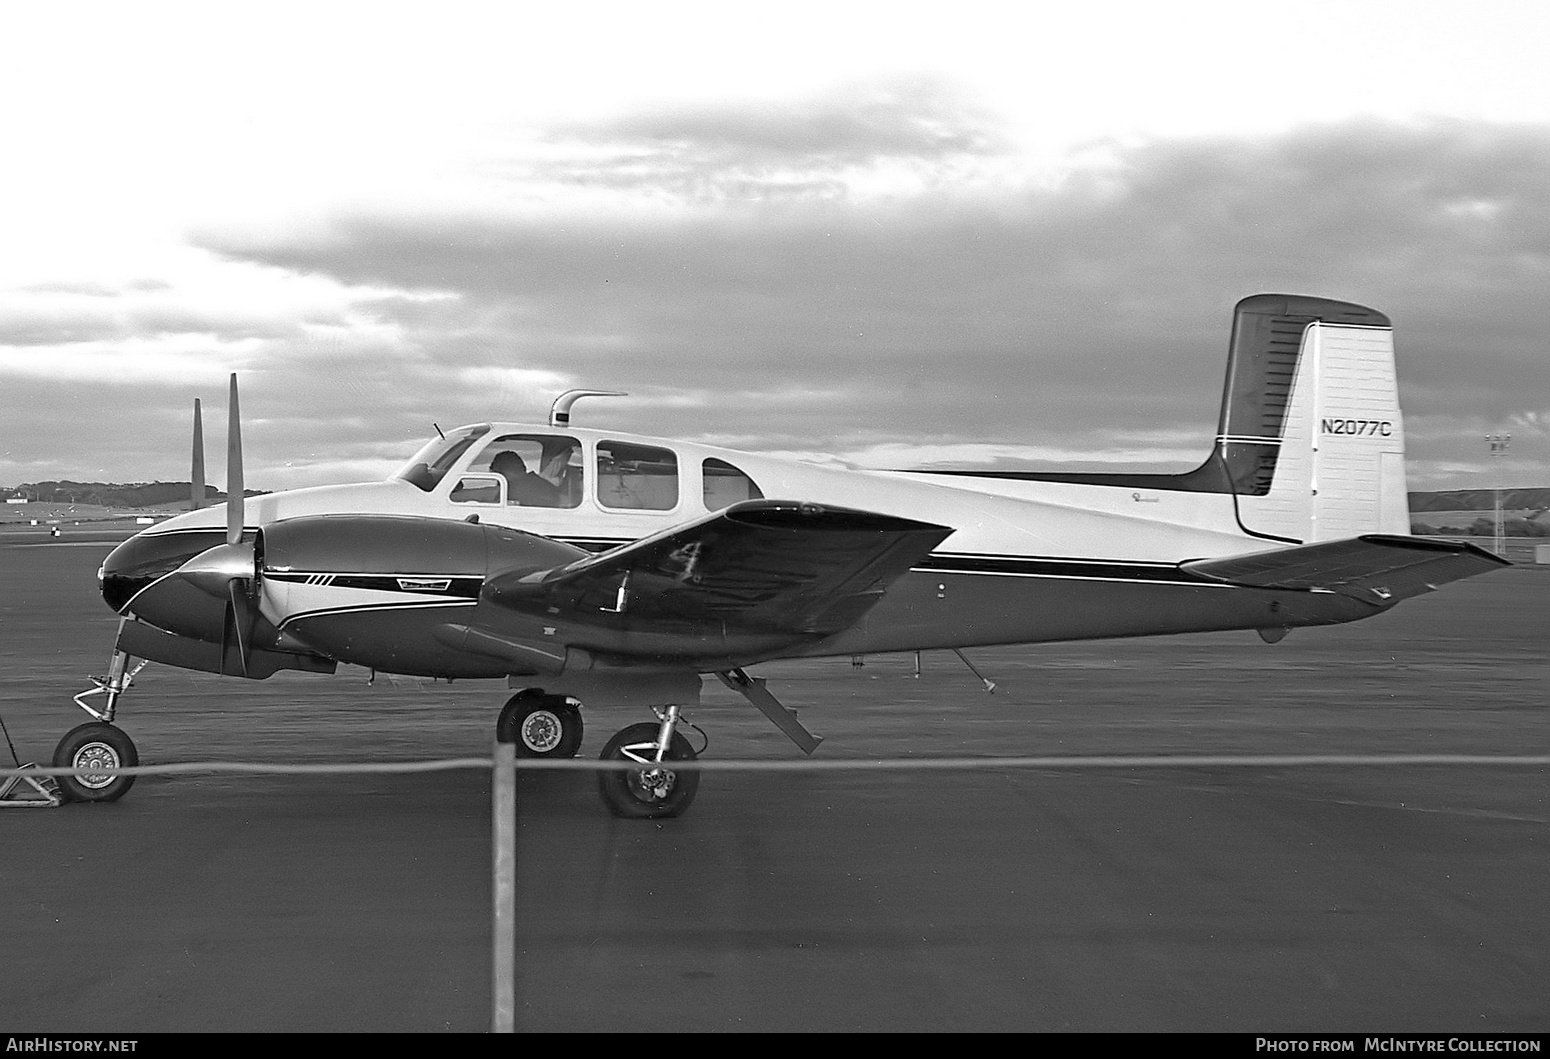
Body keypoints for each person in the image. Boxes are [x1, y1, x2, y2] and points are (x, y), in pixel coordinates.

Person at [490, 450, 562, 507]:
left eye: (497, 474)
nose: (497, 482)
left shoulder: (513, 490)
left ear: (506, 472)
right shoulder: (541, 485)